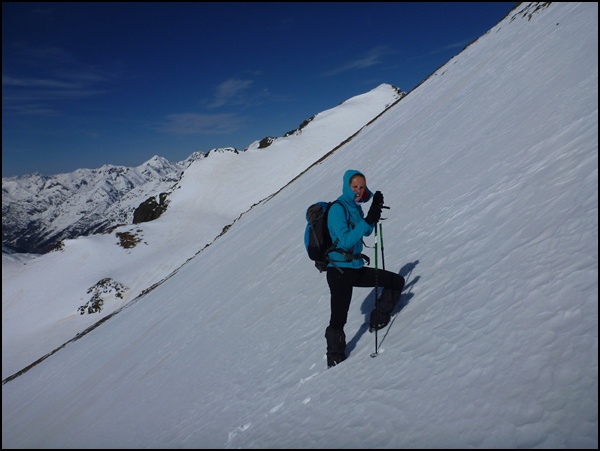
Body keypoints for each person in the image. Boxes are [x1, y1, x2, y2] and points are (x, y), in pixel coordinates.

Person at [324, 169, 405, 368]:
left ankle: (378, 319)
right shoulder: (337, 209)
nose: (358, 191)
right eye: (355, 187)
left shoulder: (355, 208)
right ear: (346, 186)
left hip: (356, 267)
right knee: (338, 319)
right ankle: (334, 358)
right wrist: (368, 220)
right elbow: (345, 240)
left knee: (396, 281)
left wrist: (373, 211)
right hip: (339, 272)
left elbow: (366, 231)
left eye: (361, 187)